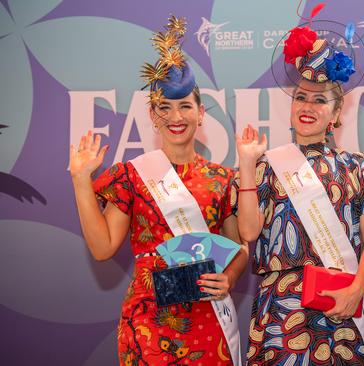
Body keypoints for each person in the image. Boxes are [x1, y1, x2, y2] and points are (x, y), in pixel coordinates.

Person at [69, 15, 247, 366]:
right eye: (164, 107)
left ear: (201, 114)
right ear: (153, 115)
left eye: (185, 106)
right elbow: (103, 248)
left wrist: (228, 278)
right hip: (148, 319)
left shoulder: (224, 179)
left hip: (208, 315)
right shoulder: (133, 176)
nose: (175, 116)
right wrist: (80, 181)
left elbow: (239, 246)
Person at [232, 16, 364, 365]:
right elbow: (247, 231)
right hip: (278, 310)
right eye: (301, 97)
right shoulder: (265, 166)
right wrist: (246, 164)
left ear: (336, 115)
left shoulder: (359, 167)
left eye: (320, 101)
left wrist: (357, 289)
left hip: (340, 302)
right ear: (290, 108)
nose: (307, 106)